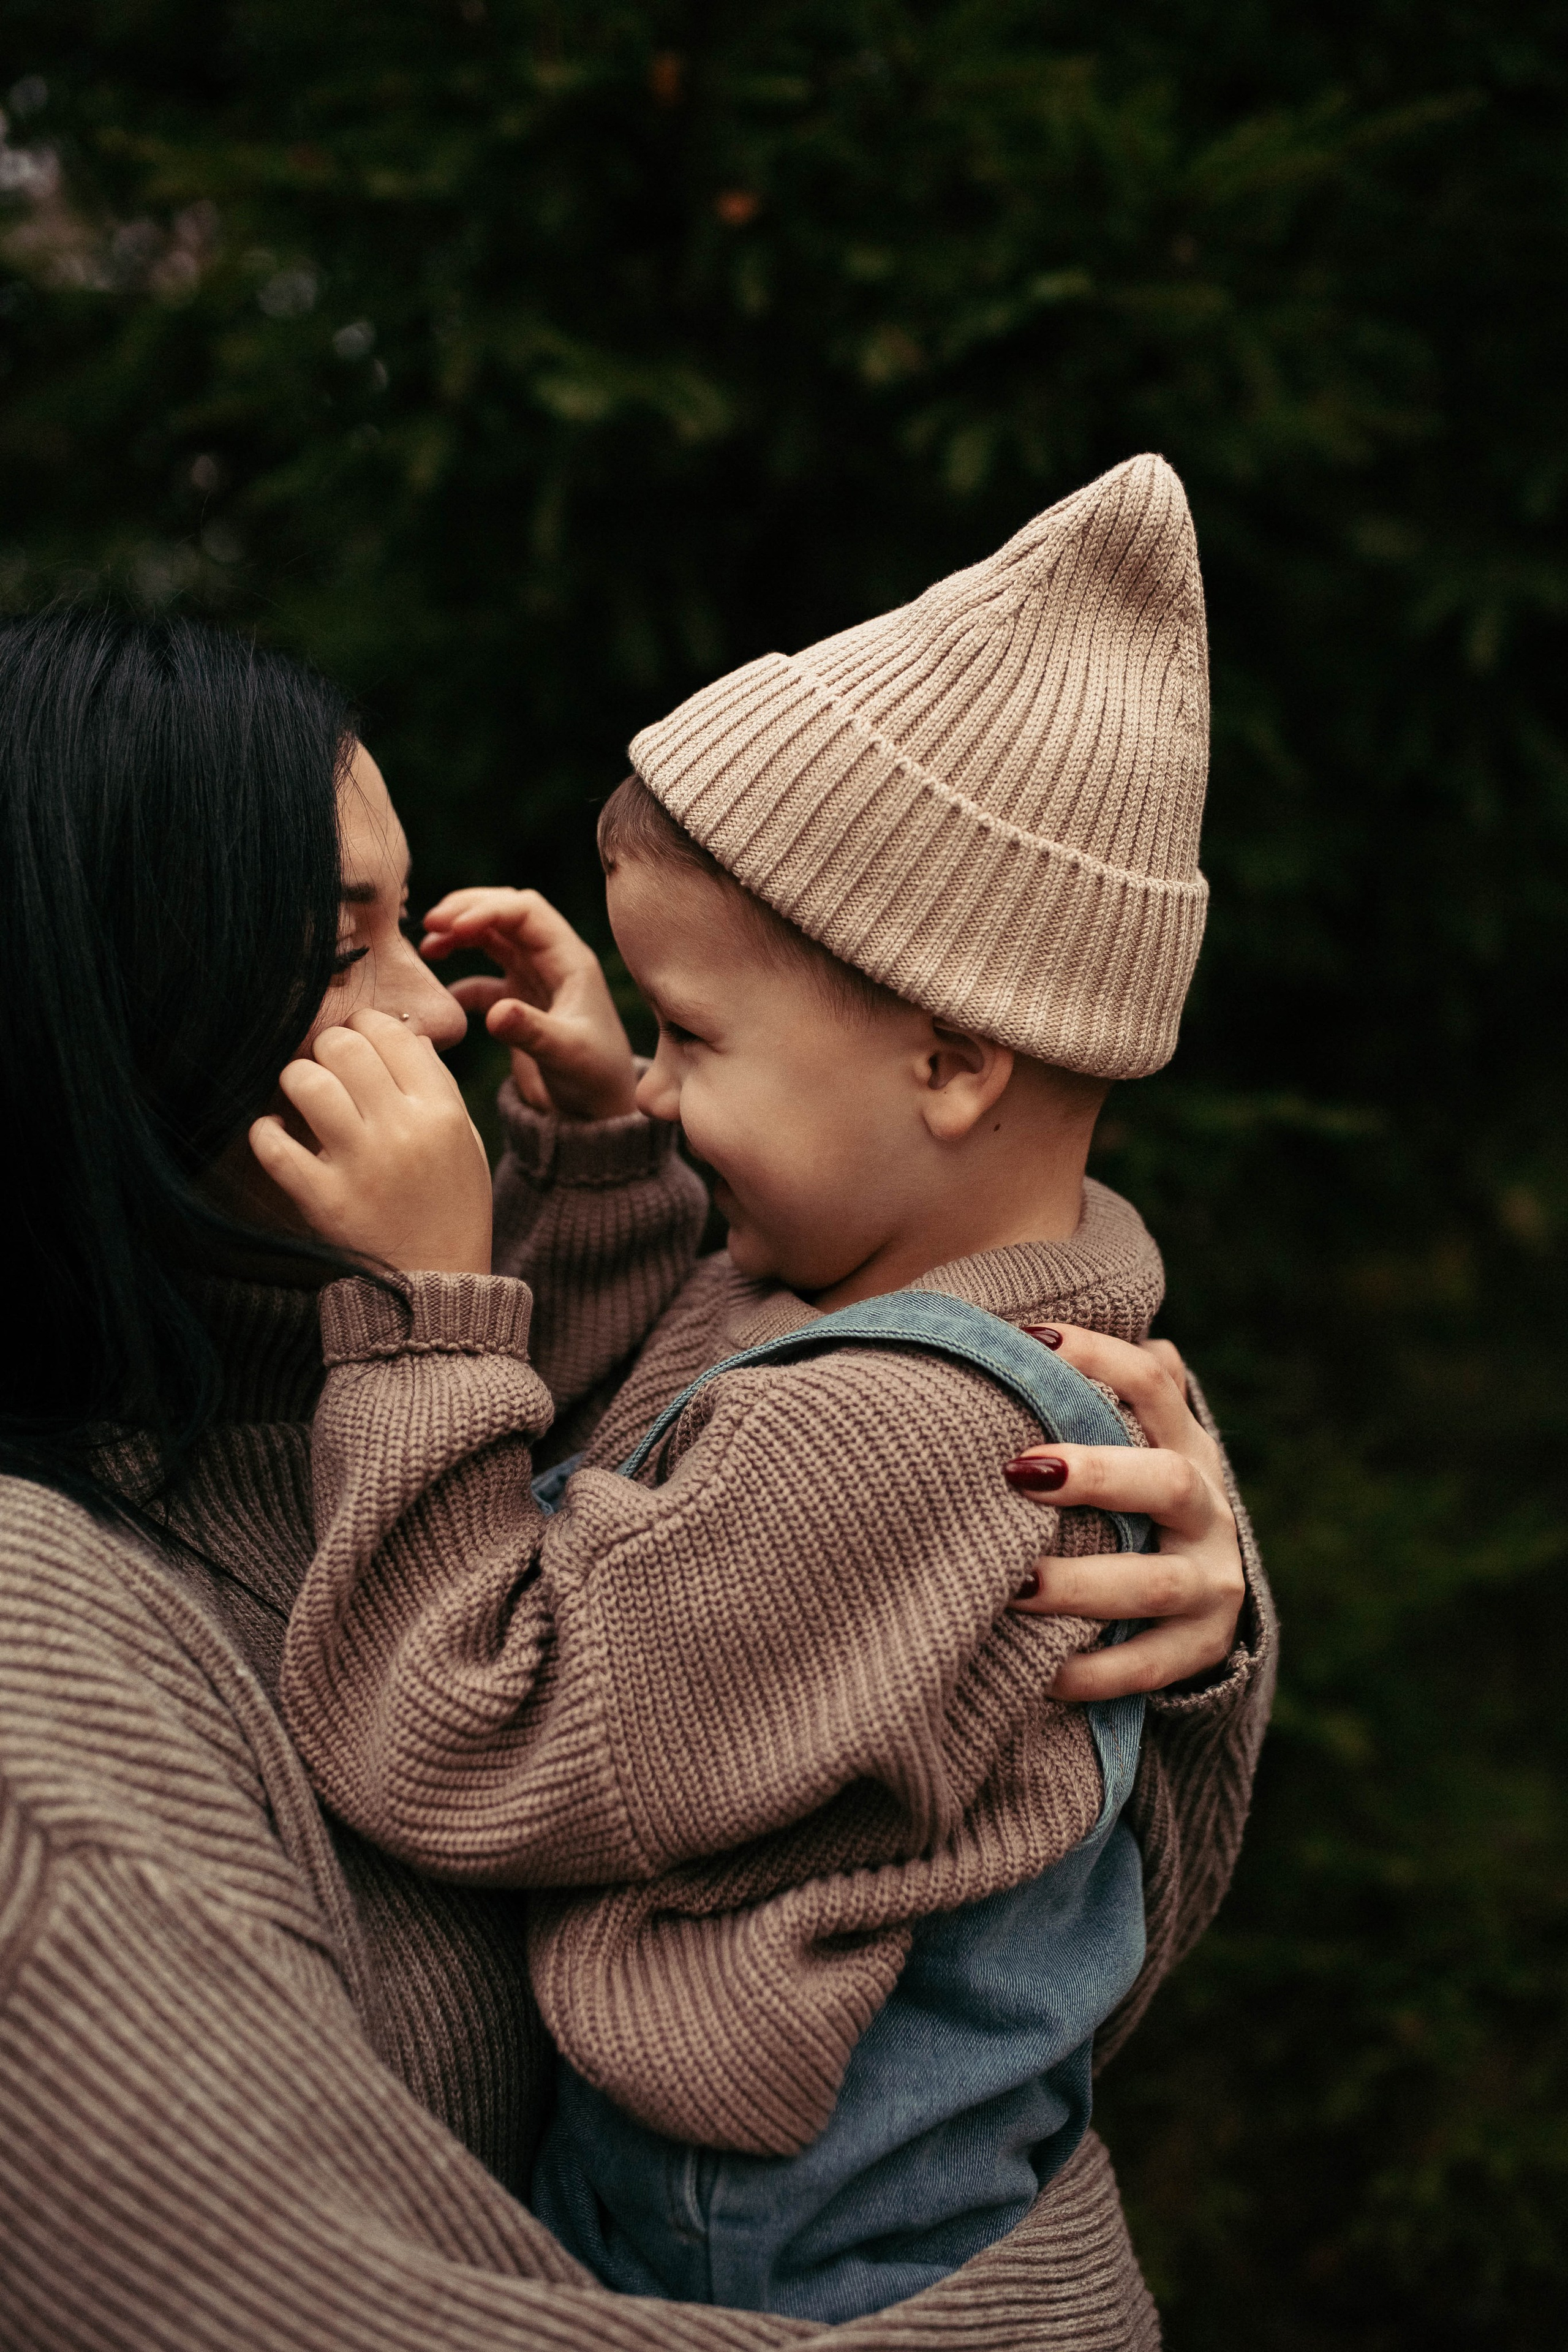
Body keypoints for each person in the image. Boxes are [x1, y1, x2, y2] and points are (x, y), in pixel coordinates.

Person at [0, 595, 1266, 2352]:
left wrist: (1163, 1663)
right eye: (330, 948)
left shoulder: (849, 1394)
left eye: (407, 927)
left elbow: (1025, 1943)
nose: (432, 1024)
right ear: (108, 997)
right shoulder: (43, 1642)